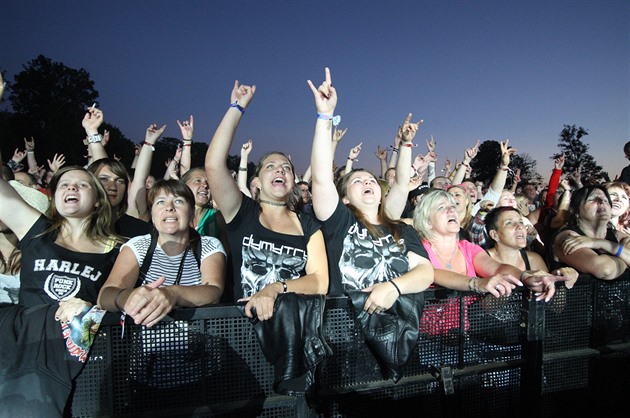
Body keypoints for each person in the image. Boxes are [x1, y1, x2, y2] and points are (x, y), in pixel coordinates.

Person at [0, 164, 119, 416]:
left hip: (80, 361)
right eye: (64, 184)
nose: (72, 187)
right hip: (26, 349)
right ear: (54, 197)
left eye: (83, 184)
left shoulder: (117, 249)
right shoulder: (37, 230)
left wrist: (91, 309)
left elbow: (119, 300)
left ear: (98, 201)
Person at [205, 79, 329, 320]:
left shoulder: (308, 226)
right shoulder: (241, 212)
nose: (280, 170)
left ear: (293, 180)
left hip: (292, 328)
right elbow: (213, 164)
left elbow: (319, 281)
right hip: (243, 332)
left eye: (286, 168)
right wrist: (236, 108)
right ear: (258, 181)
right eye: (270, 167)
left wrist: (275, 289)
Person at [308, 67, 434, 304]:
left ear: (379, 193)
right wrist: (325, 115)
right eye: (357, 181)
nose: (367, 181)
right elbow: (321, 177)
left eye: (371, 180)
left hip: (397, 331)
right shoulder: (339, 223)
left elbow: (425, 272)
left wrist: (392, 288)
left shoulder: (401, 230)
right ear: (344, 197)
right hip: (346, 328)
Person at [97, 179, 225, 327]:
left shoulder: (209, 245)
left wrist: (174, 294)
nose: (169, 207)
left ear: (191, 214)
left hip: (197, 343)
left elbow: (214, 292)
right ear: (152, 217)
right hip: (143, 345)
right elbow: (105, 295)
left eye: (178, 201)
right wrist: (128, 298)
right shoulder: (138, 246)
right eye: (160, 202)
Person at [413, 189, 559, 301]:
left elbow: (497, 267)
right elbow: (433, 273)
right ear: (427, 222)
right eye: (441, 208)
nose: (451, 210)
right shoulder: (418, 248)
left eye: (452, 206)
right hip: (426, 336)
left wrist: (525, 276)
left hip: (464, 330)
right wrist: (477, 283)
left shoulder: (468, 248)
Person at [484, 206, 578, 289]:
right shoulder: (482, 259)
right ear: (494, 235)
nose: (520, 226)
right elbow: (483, 307)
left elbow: (556, 307)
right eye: (509, 223)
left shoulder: (533, 259)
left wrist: (559, 280)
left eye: (521, 222)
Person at [551, 185, 629, 280]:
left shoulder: (618, 236)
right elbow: (604, 269)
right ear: (575, 210)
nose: (601, 202)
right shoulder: (567, 237)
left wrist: (601, 243)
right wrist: (625, 257)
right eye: (593, 199)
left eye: (605, 200)